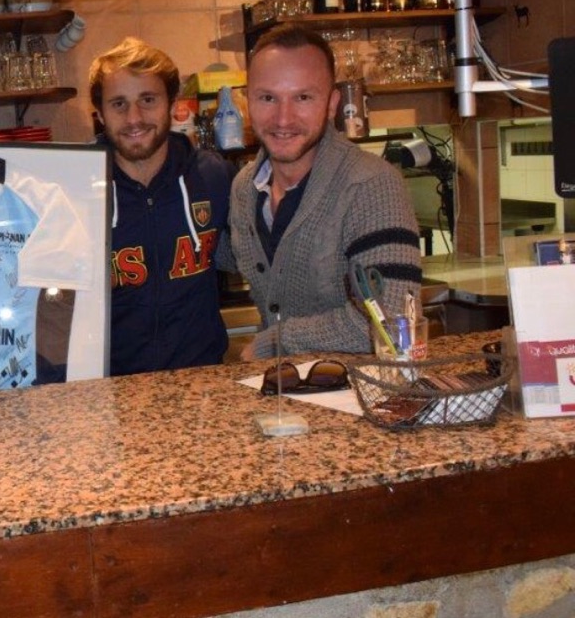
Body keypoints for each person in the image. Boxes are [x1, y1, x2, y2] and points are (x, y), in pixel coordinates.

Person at [221, 24, 423, 360]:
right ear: (247, 102)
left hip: (358, 389)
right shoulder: (244, 188)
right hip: (282, 386)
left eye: (303, 97)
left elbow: (391, 320)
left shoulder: (371, 184)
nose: (283, 119)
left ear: (331, 105)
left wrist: (276, 341)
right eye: (268, 97)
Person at [90, 37, 234, 375]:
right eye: (119, 104)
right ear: (100, 114)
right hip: (110, 390)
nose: (134, 118)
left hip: (203, 383)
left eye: (148, 100)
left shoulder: (213, 176)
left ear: (172, 103)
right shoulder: (76, 190)